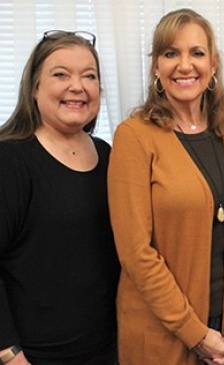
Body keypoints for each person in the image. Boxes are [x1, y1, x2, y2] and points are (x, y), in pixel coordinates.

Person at [107, 8, 224, 365]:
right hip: (160, 339)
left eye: (197, 52)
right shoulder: (134, 136)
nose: (184, 65)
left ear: (214, 63)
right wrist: (194, 332)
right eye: (171, 53)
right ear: (156, 66)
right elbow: (135, 252)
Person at [0, 31, 120, 365]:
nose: (77, 86)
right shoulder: (11, 159)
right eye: (60, 74)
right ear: (34, 87)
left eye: (89, 76)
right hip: (35, 357)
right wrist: (9, 354)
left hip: (107, 351)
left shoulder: (108, 156)